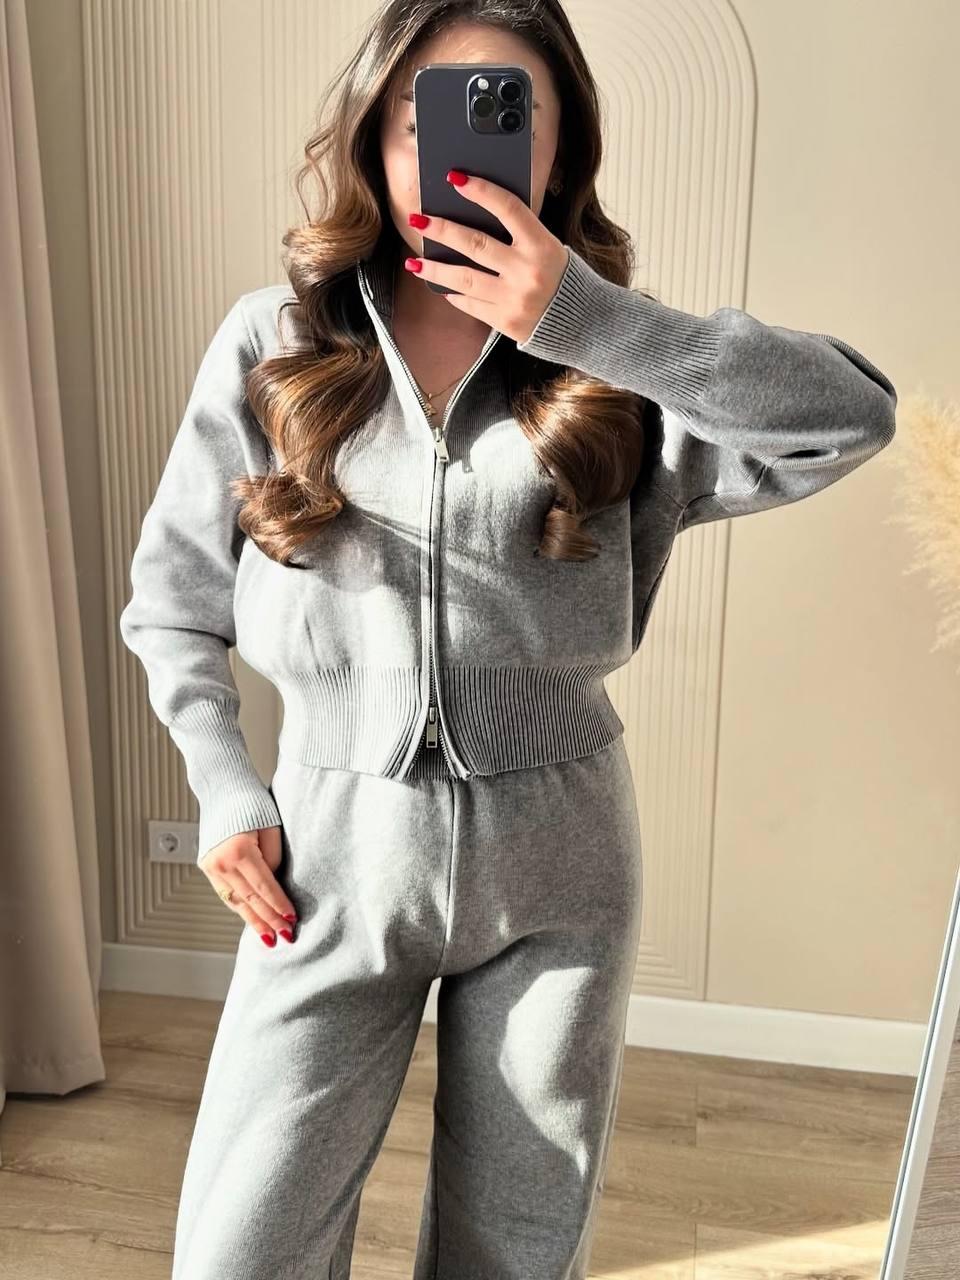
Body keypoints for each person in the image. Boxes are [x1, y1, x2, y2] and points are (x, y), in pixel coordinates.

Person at [118, 3, 897, 1277]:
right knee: (241, 1244)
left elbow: (852, 416)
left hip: (561, 861)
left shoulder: (621, 365)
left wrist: (592, 323)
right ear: (375, 135)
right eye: (423, 113)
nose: (457, 149)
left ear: (558, 144)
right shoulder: (277, 342)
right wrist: (223, 785)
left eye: (505, 113)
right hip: (327, 852)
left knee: (516, 1248)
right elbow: (172, 601)